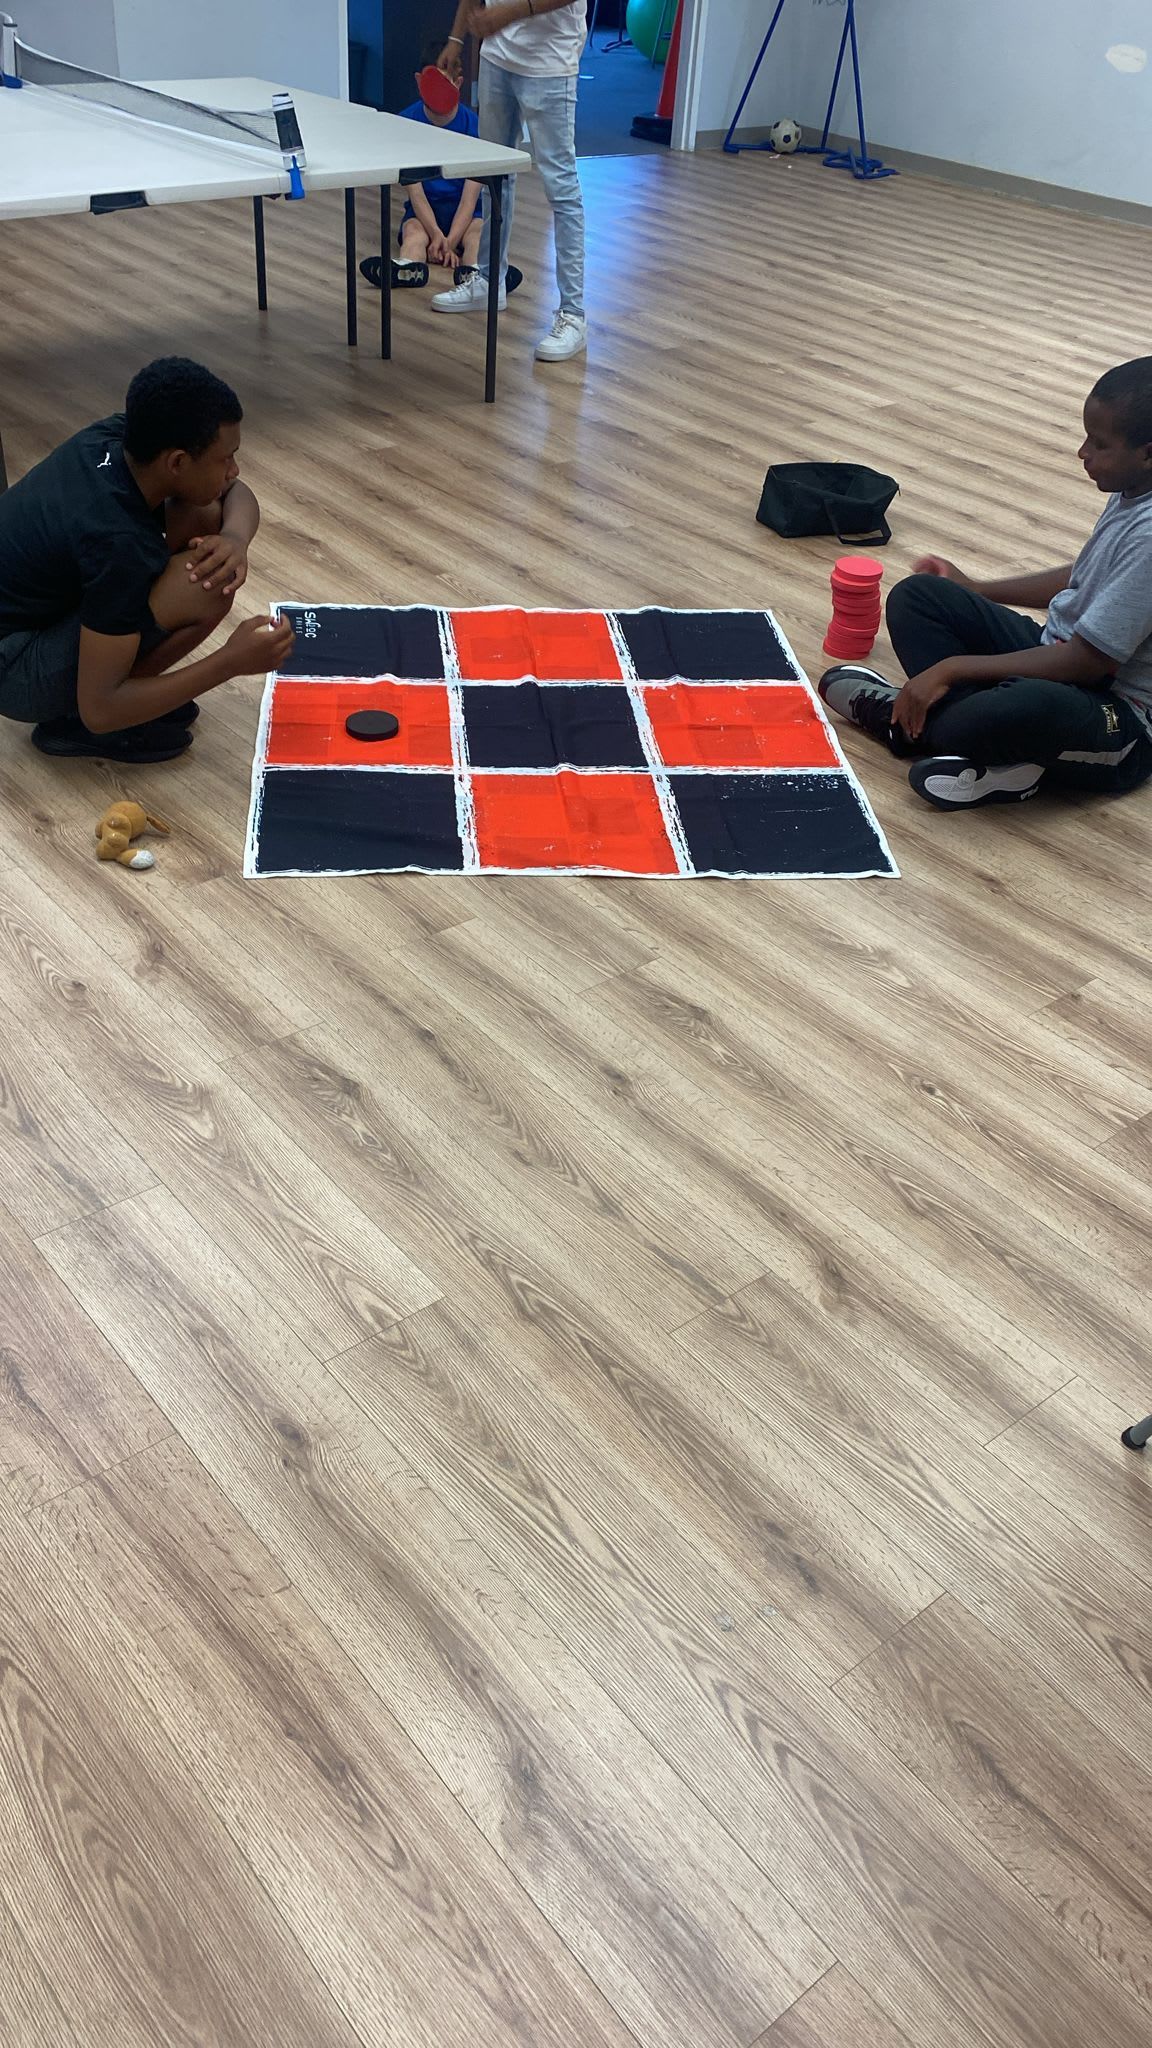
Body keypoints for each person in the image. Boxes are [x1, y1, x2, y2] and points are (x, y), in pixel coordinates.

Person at [818, 356, 1152, 811]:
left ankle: (908, 723)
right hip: (1062, 656)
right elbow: (1086, 574)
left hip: (1121, 721)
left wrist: (951, 668)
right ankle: (997, 756)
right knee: (918, 597)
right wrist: (976, 589)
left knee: (1023, 706)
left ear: (1148, 452)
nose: (1082, 452)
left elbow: (1086, 665)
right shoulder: (1135, 487)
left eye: (1100, 443)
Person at [0, 357, 293, 764]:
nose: (234, 468)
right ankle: (82, 722)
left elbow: (234, 494)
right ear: (177, 462)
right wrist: (229, 662)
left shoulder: (119, 436)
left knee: (208, 519)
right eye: (224, 458)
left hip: (32, 613)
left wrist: (235, 538)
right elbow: (100, 711)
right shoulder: (118, 542)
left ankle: (133, 695)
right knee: (207, 584)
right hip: (14, 669)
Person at [431, 0, 587, 363]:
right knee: (494, 175)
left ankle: (573, 314)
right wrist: (456, 38)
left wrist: (509, 13)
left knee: (562, 190)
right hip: (497, 57)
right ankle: (488, 280)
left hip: (550, 63)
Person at [359, 43, 489, 292]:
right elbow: (415, 193)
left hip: (466, 217)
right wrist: (435, 233)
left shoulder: (476, 128)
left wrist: (449, 242)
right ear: (419, 80)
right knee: (413, 234)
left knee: (476, 236)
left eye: (445, 82)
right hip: (424, 214)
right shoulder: (405, 124)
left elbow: (470, 199)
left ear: (458, 83)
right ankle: (406, 268)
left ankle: (473, 273)